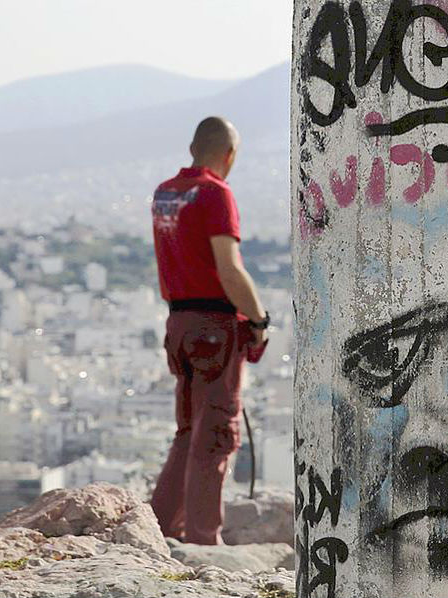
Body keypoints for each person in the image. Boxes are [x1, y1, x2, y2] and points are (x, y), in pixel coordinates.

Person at [149, 116, 269, 545]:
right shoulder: (216, 193)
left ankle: (160, 530)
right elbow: (229, 269)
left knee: (188, 431)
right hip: (215, 327)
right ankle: (204, 538)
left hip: (178, 323)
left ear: (191, 148)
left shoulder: (166, 193)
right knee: (217, 432)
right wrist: (258, 320)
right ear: (230, 155)